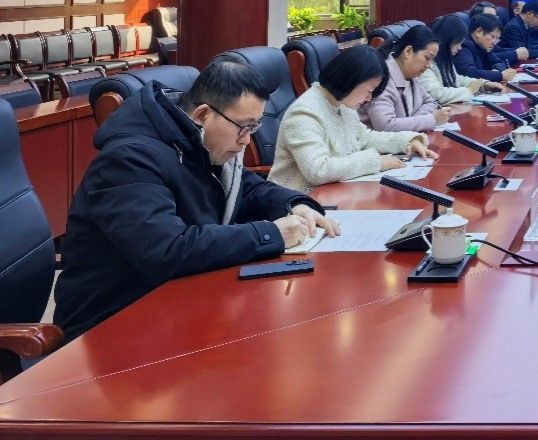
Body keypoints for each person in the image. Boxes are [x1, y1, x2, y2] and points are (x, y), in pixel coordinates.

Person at [53, 56, 339, 341]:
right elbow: (167, 250)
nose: (246, 140)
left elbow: (249, 189)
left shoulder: (195, 140)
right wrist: (270, 234)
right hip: (115, 325)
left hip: (176, 301)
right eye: (243, 127)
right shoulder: (128, 160)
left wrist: (295, 204)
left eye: (254, 128)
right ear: (203, 115)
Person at [269, 46, 438, 191]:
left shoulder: (341, 103)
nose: (369, 98)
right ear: (351, 80)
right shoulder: (304, 114)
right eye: (369, 91)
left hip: (335, 192)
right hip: (299, 202)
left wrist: (407, 142)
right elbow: (318, 170)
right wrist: (376, 162)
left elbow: (365, 138)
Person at [364, 24, 461, 133]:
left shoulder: (410, 75)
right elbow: (386, 126)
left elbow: (431, 102)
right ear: (408, 52)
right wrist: (431, 120)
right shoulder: (382, 78)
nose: (429, 65)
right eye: (427, 57)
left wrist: (414, 121)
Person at [422, 13, 505, 104]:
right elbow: (436, 94)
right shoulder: (427, 62)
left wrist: (483, 85)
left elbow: (457, 79)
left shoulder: (445, 58)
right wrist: (468, 90)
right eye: (458, 43)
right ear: (448, 40)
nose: (460, 48)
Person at [455, 12, 521, 82]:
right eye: (492, 37)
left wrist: (496, 71)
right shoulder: (463, 46)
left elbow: (499, 62)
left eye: (497, 38)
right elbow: (469, 73)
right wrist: (500, 75)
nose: (494, 43)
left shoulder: (483, 46)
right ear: (478, 32)